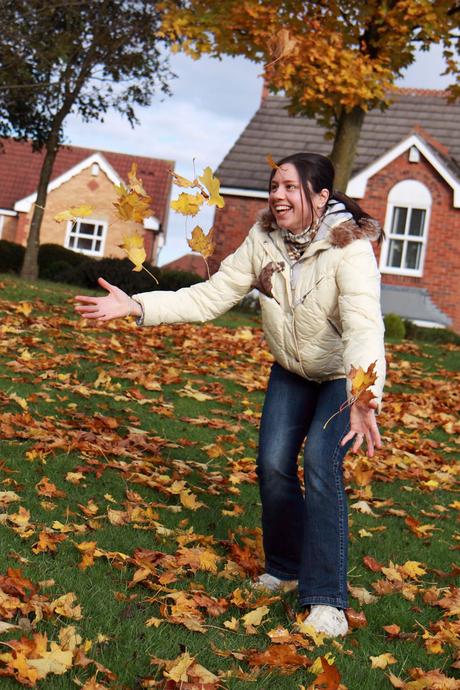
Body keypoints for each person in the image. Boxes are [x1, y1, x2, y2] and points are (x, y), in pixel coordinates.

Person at [75, 152, 386, 638]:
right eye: (273, 185)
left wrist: (364, 395)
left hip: (339, 378)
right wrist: (137, 305)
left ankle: (326, 599)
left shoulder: (350, 249)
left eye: (290, 187)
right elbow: (210, 296)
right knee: (272, 465)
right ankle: (284, 569)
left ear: (321, 197)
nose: (277, 195)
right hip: (290, 369)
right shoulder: (263, 240)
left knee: (322, 466)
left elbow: (365, 327)